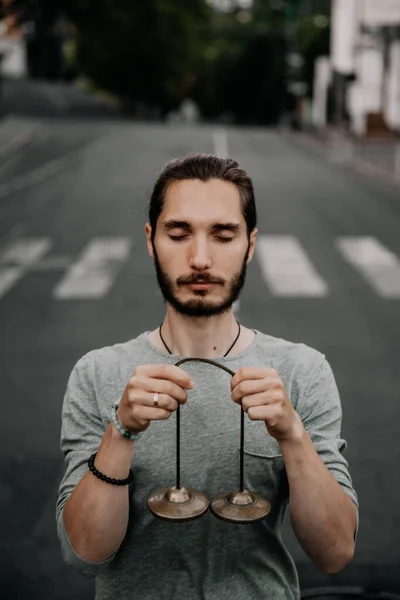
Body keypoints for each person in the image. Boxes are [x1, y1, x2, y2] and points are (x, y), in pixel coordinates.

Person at [56, 153, 359, 600]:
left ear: (251, 245)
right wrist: (119, 432)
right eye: (178, 234)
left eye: (223, 235)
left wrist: (293, 435)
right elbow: (84, 553)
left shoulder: (301, 371)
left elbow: (334, 552)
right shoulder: (98, 374)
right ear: (151, 240)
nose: (200, 258)